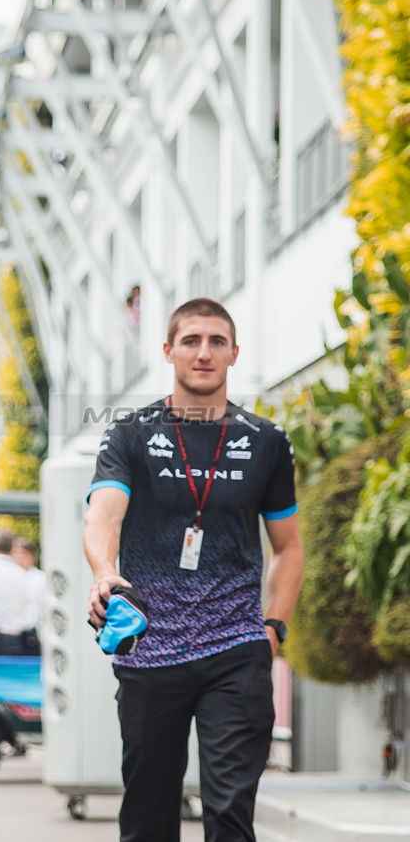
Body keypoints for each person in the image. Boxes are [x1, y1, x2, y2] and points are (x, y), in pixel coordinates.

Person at [84, 298, 304, 842]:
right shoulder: (131, 434)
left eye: (216, 342)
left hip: (236, 650)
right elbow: (104, 514)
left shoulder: (266, 441)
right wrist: (104, 572)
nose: (203, 353)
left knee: (229, 813)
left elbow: (288, 546)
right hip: (151, 645)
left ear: (233, 353)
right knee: (148, 816)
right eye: (191, 341)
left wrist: (273, 627)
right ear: (168, 351)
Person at [12, 538, 44, 656]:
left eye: (23, 554)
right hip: (12, 635)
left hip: (31, 636)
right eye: (15, 554)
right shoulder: (10, 578)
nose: (19, 558)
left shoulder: (40, 579)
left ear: (32, 556)